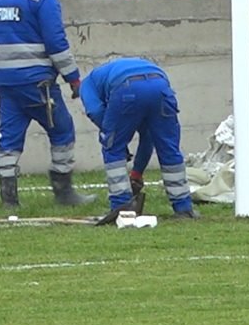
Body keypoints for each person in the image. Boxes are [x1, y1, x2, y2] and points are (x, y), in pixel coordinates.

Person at [0, 0, 95, 208]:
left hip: (5, 80)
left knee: (10, 138)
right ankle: (64, 193)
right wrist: (73, 77)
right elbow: (56, 42)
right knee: (62, 130)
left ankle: (9, 200)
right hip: (37, 82)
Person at [79, 57, 199, 223]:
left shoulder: (86, 84)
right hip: (160, 86)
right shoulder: (113, 69)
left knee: (112, 149)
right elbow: (147, 138)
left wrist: (115, 137)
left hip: (126, 89)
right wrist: (136, 173)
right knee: (169, 149)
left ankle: (121, 209)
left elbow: (95, 111)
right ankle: (184, 208)